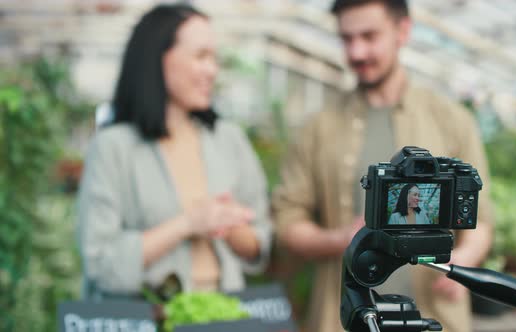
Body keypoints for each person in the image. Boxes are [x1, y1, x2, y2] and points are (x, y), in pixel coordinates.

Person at [271, 1, 494, 331]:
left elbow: (482, 220)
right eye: (347, 39)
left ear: (403, 31)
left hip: (436, 316)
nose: (356, 51)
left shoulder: (450, 120)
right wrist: (342, 238)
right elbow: (287, 220)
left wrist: (464, 259)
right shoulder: (318, 128)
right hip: (344, 320)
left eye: (369, 36)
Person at [77, 4, 272, 300]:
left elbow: (260, 243)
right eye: (201, 56)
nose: (212, 70)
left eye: (214, 58)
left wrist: (228, 225)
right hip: (148, 317)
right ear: (158, 58)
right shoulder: (112, 147)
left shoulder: (229, 140)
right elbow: (100, 263)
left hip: (225, 315)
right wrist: (188, 224)